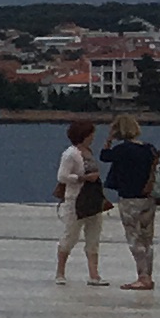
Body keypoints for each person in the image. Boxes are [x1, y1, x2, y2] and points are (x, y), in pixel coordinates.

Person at [100, 114, 160, 291]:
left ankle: (142, 277)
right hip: (148, 198)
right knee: (147, 239)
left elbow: (104, 156)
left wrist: (108, 139)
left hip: (130, 198)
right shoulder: (148, 148)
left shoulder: (122, 150)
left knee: (134, 239)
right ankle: (148, 276)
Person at [56, 118, 112, 283]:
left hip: (93, 199)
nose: (93, 137)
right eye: (91, 134)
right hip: (76, 200)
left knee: (93, 236)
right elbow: (62, 176)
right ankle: (60, 272)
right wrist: (83, 178)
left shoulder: (88, 152)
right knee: (70, 236)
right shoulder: (70, 154)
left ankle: (94, 274)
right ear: (84, 135)